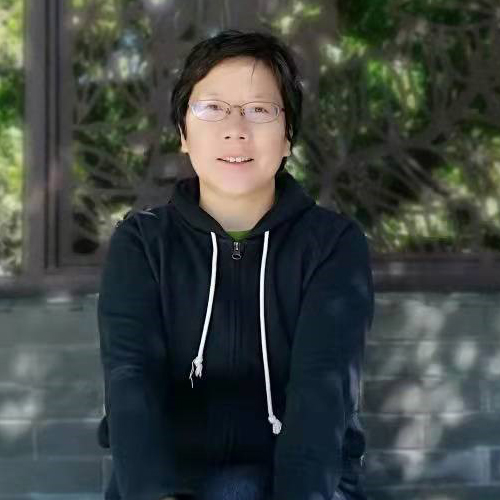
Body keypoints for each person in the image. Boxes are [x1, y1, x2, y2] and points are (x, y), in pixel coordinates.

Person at [97, 29, 374, 500]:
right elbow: (130, 381)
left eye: (259, 110)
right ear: (183, 133)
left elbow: (322, 394)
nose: (235, 129)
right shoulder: (142, 242)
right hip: (169, 482)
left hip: (299, 481)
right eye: (212, 108)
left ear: (288, 137)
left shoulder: (332, 244)